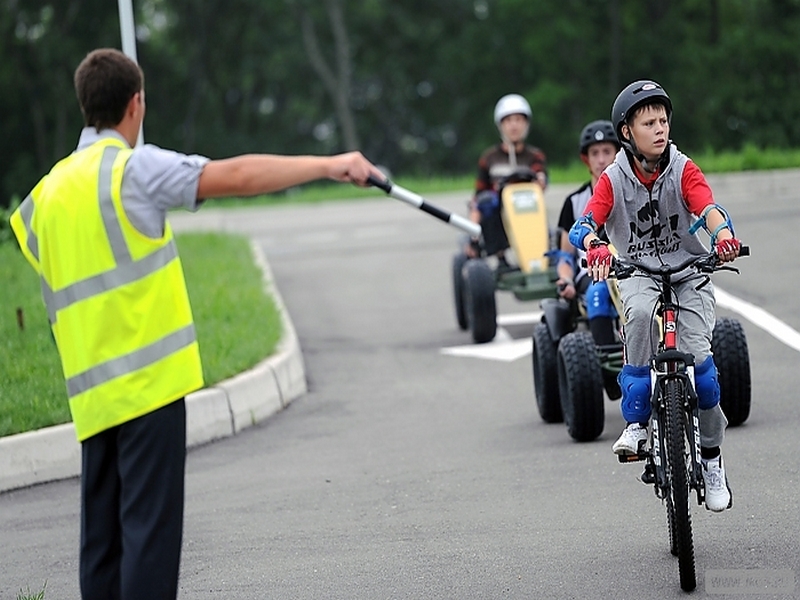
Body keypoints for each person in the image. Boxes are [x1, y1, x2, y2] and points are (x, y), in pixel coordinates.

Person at [10, 48, 383, 600]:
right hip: (148, 389)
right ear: (135, 103)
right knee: (148, 540)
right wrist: (329, 165)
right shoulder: (132, 170)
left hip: (91, 398)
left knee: (102, 546)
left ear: (85, 104)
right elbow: (234, 175)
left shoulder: (44, 197)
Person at [568, 80, 741, 512]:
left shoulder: (684, 168)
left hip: (688, 272)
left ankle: (713, 459)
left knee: (702, 370)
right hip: (638, 271)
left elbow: (708, 207)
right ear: (626, 132)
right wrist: (597, 246)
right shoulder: (612, 179)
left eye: (663, 120)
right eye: (648, 122)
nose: (659, 128)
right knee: (641, 318)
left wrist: (723, 236)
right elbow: (584, 224)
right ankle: (637, 425)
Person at [554, 120, 620, 347]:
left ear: (618, 154)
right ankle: (606, 360)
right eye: (595, 153)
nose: (601, 159)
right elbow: (565, 256)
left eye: (607, 152)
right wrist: (565, 279)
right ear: (586, 159)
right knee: (599, 293)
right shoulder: (574, 202)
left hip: (629, 268)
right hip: (590, 273)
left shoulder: (631, 193)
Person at [466, 93, 548, 269]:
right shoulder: (489, 158)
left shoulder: (534, 156)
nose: (514, 125)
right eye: (509, 120)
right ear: (501, 125)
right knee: (486, 201)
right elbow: (479, 195)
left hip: (527, 207)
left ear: (526, 123)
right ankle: (500, 256)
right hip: (499, 211)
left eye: (518, 120)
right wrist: (472, 231)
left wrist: (539, 180)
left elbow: (541, 178)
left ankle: (542, 255)